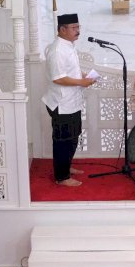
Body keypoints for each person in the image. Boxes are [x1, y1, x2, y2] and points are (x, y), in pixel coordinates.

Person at [42, 13, 96, 187]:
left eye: (78, 27)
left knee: (73, 136)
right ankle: (62, 177)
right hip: (61, 103)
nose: (78, 31)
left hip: (72, 102)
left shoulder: (69, 46)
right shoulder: (57, 50)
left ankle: (67, 166)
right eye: (74, 28)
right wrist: (81, 82)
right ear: (62, 29)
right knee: (63, 141)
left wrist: (82, 75)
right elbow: (58, 78)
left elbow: (68, 71)